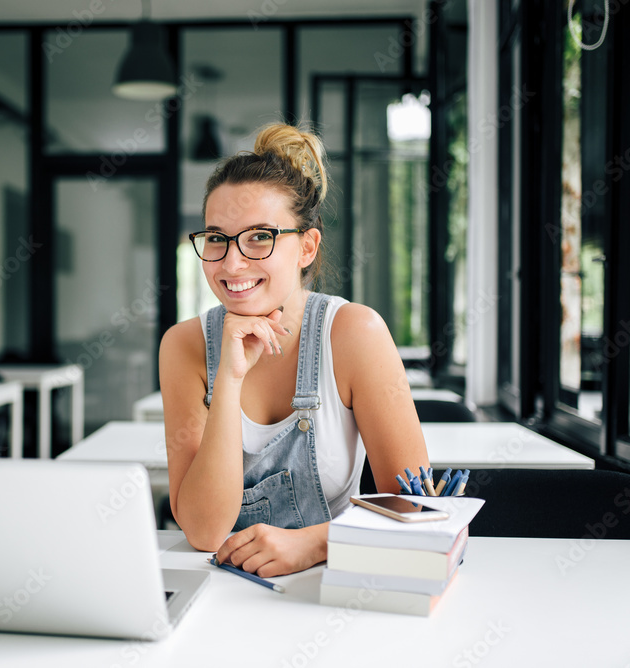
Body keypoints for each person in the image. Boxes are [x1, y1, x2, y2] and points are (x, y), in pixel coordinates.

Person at [159, 122, 431, 578]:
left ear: (307, 246)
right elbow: (205, 532)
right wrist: (228, 378)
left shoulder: (354, 333)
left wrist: (314, 544)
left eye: (260, 236)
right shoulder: (184, 346)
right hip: (224, 595)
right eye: (216, 238)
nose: (231, 262)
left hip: (337, 586)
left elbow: (418, 507)